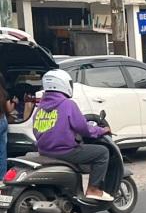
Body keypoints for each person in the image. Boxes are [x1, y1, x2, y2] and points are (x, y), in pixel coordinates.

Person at [32, 68, 114, 201]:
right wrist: (100, 130)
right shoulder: (67, 104)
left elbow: (35, 129)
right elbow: (83, 128)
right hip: (65, 151)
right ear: (63, 84)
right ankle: (93, 189)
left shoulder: (41, 107)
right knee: (102, 152)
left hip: (44, 151)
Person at [0, 85, 12, 176]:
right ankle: (1, 180)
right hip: (2, 119)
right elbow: (8, 109)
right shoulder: (2, 92)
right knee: (2, 153)